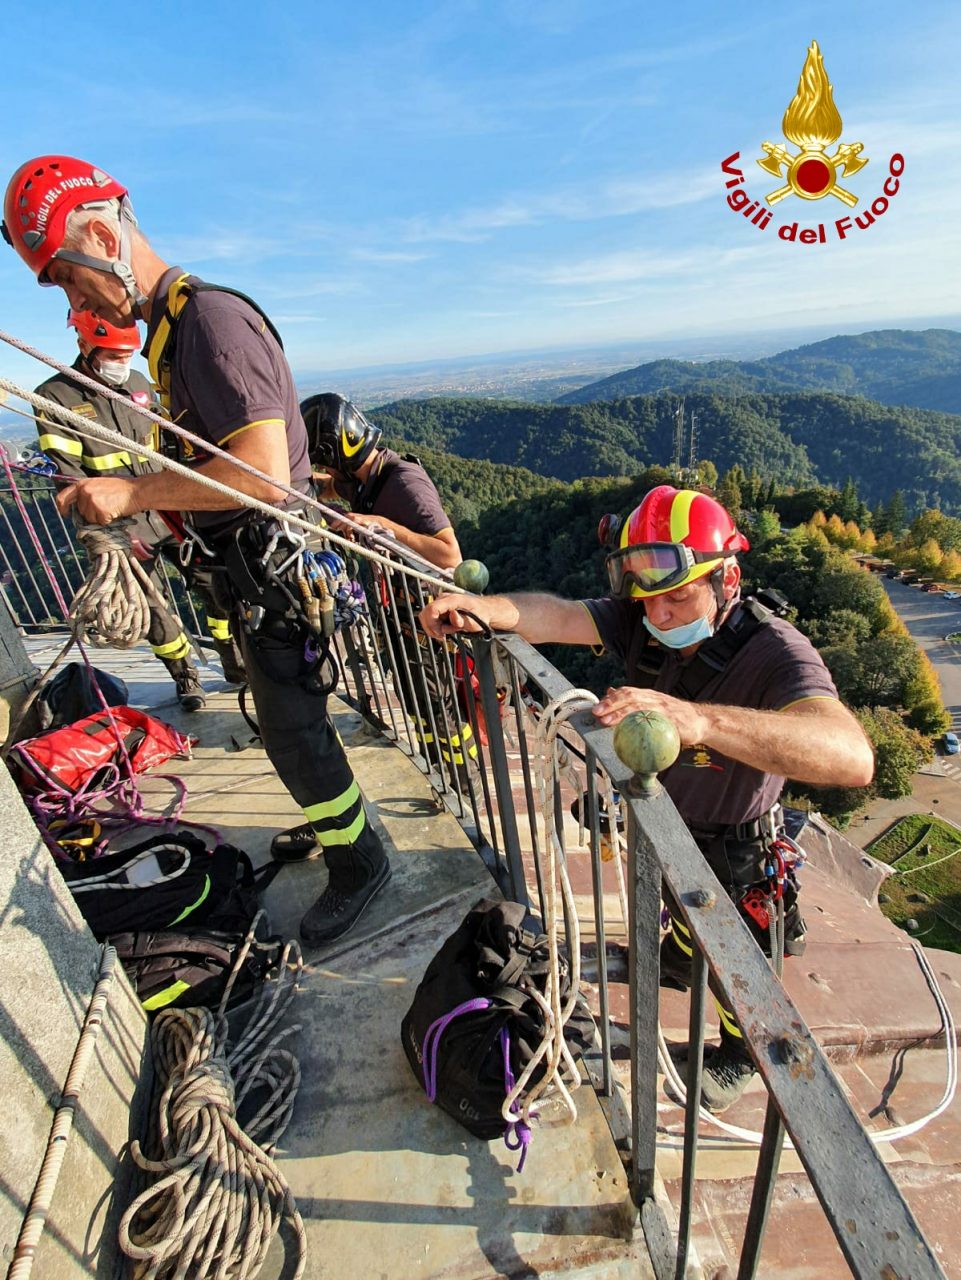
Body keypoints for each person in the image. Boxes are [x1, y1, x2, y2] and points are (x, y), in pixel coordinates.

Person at [3, 154, 390, 947]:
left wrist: (132, 496)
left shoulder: (210, 323)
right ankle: (340, 830)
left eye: (70, 282)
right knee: (289, 729)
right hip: (255, 574)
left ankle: (360, 863)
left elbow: (261, 473)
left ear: (101, 237)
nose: (76, 304)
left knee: (294, 735)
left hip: (276, 572)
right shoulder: (175, 335)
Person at [419, 484, 875, 1110]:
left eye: (678, 597)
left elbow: (851, 756)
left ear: (727, 578)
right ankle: (678, 962)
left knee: (735, 960)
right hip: (665, 819)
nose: (658, 615)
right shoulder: (641, 620)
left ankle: (739, 1051)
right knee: (680, 919)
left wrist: (702, 721)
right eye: (647, 598)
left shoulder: (774, 651)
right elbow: (557, 614)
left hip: (736, 846)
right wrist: (486, 606)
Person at [265, 392, 471, 860]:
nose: (328, 471)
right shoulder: (364, 477)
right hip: (402, 616)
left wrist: (381, 525)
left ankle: (461, 784)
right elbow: (328, 488)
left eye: (326, 461)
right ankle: (441, 770)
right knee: (417, 702)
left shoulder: (402, 482)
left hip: (426, 619)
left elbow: (449, 554)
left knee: (437, 708)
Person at [34, 309, 246, 707]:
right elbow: (69, 480)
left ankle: (233, 659)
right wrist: (115, 535)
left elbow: (168, 447)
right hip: (122, 523)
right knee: (151, 605)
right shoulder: (56, 398)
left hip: (171, 511)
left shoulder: (138, 384)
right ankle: (185, 676)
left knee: (214, 583)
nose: (121, 362)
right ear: (83, 344)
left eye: (126, 354)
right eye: (113, 355)